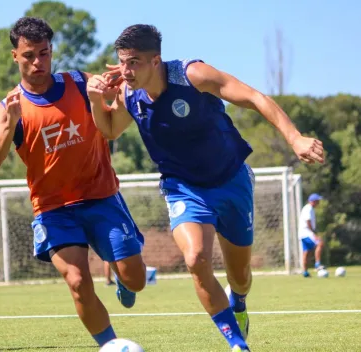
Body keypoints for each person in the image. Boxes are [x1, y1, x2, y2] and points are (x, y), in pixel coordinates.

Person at [86, 24, 325, 352]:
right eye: (123, 62)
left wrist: (295, 137)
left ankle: (237, 302)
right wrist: (97, 101)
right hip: (183, 188)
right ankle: (237, 344)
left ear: (156, 61)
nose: (125, 71)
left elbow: (254, 96)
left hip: (231, 180)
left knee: (240, 277)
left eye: (134, 62)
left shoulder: (192, 75)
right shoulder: (128, 95)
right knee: (196, 256)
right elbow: (111, 129)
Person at [0, 17, 146, 347]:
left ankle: (124, 281)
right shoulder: (9, 107)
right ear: (15, 56)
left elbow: (113, 115)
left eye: (44, 53)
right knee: (77, 280)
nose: (38, 62)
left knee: (137, 279)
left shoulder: (79, 83)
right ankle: (111, 345)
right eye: (29, 55)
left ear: (52, 51)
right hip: (53, 209)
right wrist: (8, 126)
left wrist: (116, 91)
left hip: (101, 196)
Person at [298, 193, 325, 277]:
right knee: (320, 243)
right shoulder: (308, 208)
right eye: (317, 201)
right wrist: (313, 233)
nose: (318, 202)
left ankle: (305, 272)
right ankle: (317, 264)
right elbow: (308, 221)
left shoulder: (309, 208)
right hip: (306, 232)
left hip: (302, 233)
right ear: (313, 201)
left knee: (307, 252)